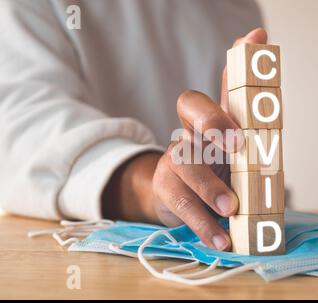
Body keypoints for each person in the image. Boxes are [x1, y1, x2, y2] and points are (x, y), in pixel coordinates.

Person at [0, 0, 266, 251]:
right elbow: (24, 129)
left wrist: (238, 175)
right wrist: (156, 187)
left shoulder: (237, 8)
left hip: (221, 240)